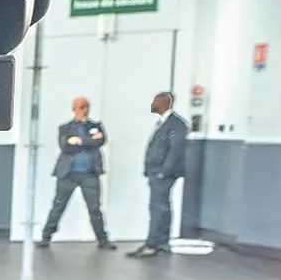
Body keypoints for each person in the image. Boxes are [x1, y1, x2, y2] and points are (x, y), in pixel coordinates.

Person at [37, 96, 112, 248]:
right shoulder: (66, 127)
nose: (83, 110)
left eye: (85, 107)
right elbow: (65, 146)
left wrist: (78, 141)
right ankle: (46, 237)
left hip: (90, 173)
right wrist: (89, 141)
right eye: (80, 107)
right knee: (58, 205)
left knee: (95, 207)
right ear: (74, 109)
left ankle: (102, 239)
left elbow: (101, 141)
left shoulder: (96, 126)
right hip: (68, 174)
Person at [129, 91, 191, 257]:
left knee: (158, 207)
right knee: (160, 206)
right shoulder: (162, 123)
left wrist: (164, 172)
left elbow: (175, 151)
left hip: (163, 173)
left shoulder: (177, 124)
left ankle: (153, 243)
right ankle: (161, 243)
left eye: (155, 101)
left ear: (164, 103)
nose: (152, 104)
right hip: (155, 171)